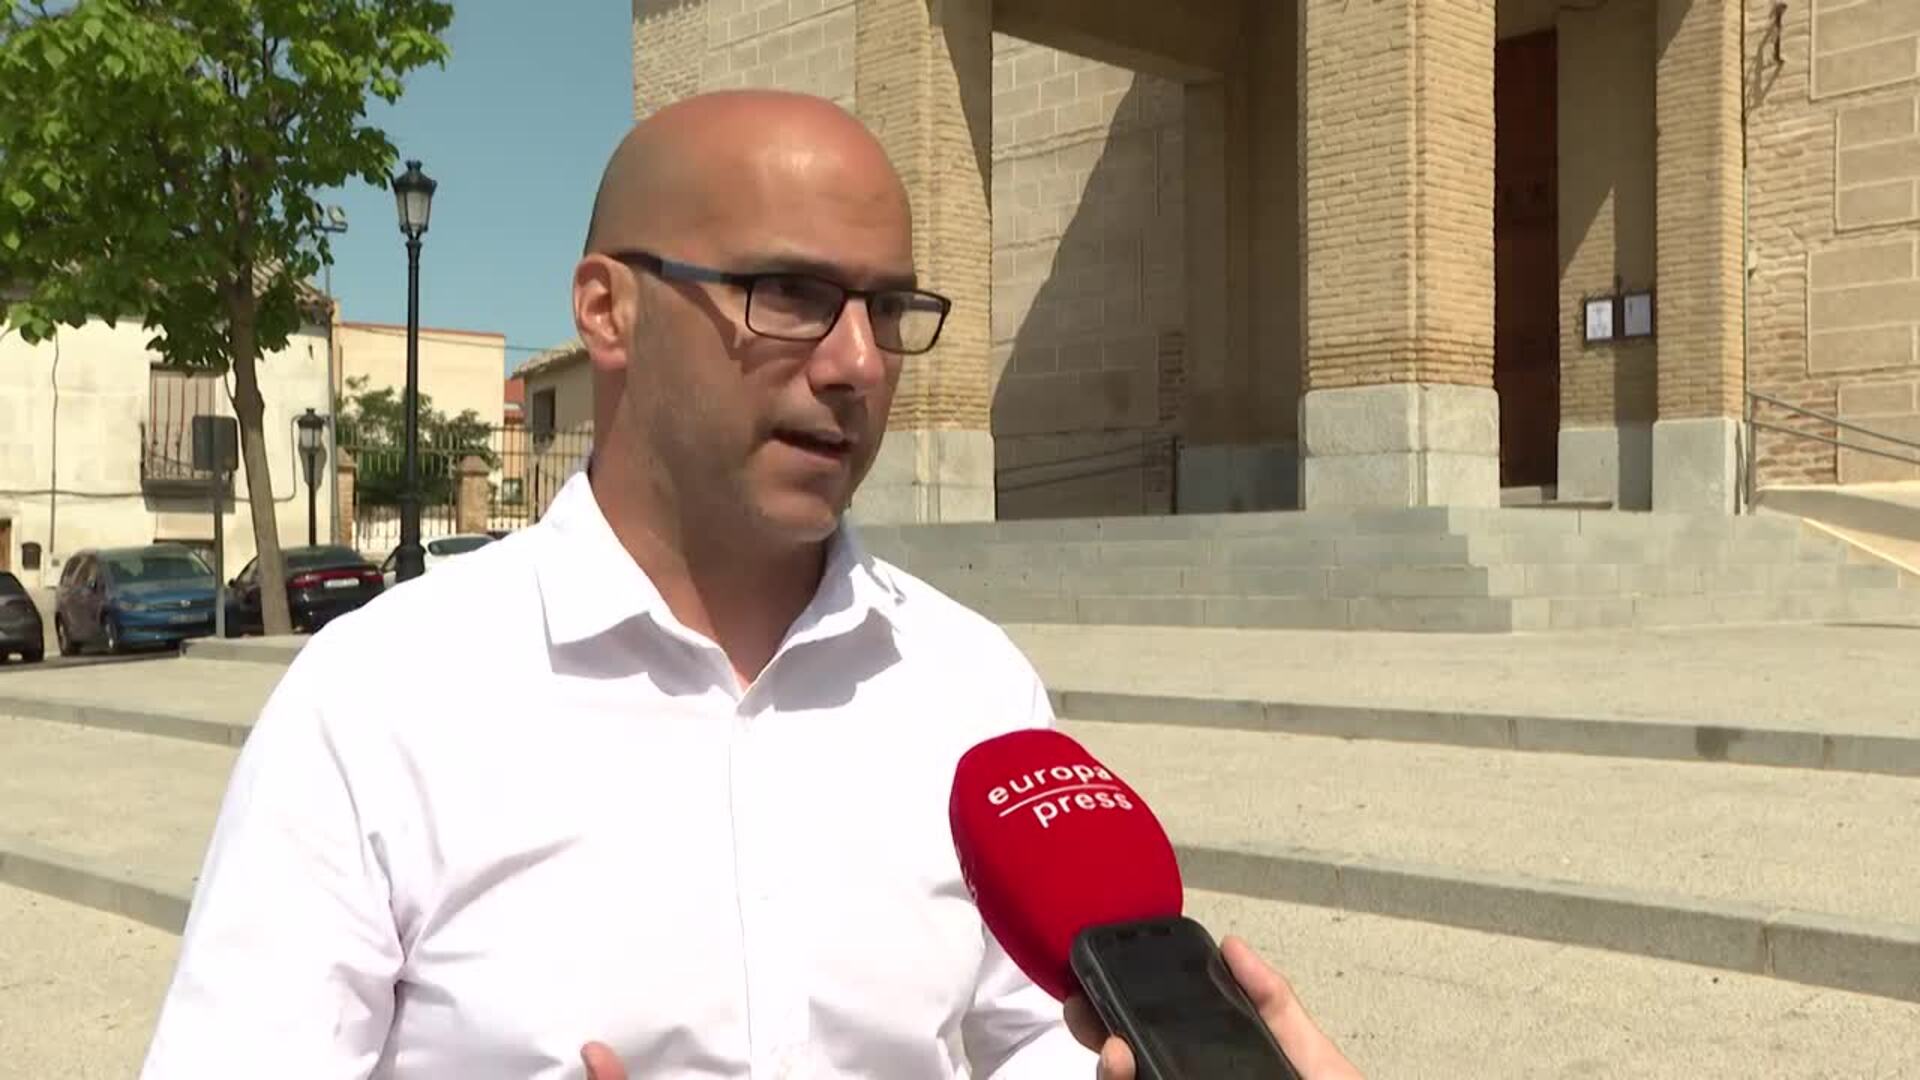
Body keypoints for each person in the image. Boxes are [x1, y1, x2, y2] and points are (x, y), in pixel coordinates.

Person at [139, 88, 1359, 1079]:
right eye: (791, 295)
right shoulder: (382, 699)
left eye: (888, 308)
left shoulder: (974, 689)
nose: (858, 362)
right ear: (607, 311)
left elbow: (1038, 1048)